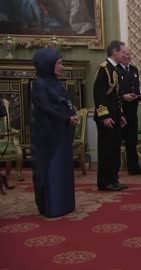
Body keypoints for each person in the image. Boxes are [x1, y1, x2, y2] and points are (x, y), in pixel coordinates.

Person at [31, 48, 79, 217]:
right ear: (47, 64)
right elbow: (45, 108)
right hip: (48, 136)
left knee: (64, 169)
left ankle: (65, 204)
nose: (62, 67)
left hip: (62, 133)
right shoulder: (39, 84)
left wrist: (71, 115)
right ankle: (52, 206)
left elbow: (64, 103)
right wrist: (66, 119)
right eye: (59, 63)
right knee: (51, 169)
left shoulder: (56, 83)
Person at [93, 40, 128, 191]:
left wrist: (119, 114)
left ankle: (113, 179)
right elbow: (99, 95)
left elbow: (116, 96)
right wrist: (104, 116)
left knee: (114, 149)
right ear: (114, 52)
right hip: (106, 118)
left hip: (114, 115)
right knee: (106, 150)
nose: (124, 55)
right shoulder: (103, 69)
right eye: (122, 52)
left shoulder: (115, 69)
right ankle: (104, 181)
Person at [118, 47, 141, 175]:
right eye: (124, 53)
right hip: (120, 109)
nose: (127, 56)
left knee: (132, 140)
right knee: (118, 139)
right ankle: (115, 169)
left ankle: (134, 167)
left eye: (129, 54)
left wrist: (138, 96)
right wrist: (122, 96)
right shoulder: (115, 70)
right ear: (119, 55)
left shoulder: (134, 70)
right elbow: (112, 91)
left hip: (132, 109)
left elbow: (135, 88)